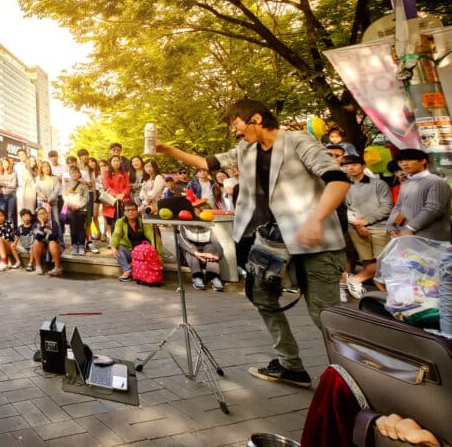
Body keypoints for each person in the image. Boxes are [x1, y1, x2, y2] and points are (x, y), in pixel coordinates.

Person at [157, 98, 349, 389]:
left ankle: (356, 376)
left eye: (237, 126)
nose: (236, 133)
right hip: (271, 239)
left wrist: (317, 219)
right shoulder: (245, 149)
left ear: (256, 119)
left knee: (323, 313)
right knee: (261, 296)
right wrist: (168, 150)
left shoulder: (298, 141)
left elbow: (338, 179)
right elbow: (206, 163)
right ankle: (290, 365)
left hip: (315, 239)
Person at [340, 154, 393, 299]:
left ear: (363, 166)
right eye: (346, 166)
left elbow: (387, 206)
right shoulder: (343, 185)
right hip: (355, 227)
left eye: (354, 164)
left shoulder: (378, 184)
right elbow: (344, 208)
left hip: (379, 227)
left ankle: (356, 280)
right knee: (367, 259)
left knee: (382, 261)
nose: (350, 168)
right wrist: (358, 225)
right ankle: (378, 293)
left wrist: (366, 221)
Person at [386, 148, 452, 242]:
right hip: (406, 234)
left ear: (423, 161)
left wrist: (411, 228)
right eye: (400, 161)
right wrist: (391, 226)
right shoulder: (406, 182)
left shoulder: (436, 182)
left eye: (408, 160)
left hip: (430, 237)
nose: (404, 164)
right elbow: (399, 206)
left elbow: (434, 209)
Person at [109, 201, 160, 282]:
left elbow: (151, 236)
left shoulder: (142, 222)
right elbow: (116, 235)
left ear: (137, 211)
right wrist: (113, 247)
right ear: (124, 212)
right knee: (118, 247)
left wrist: (157, 253)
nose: (130, 212)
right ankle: (127, 271)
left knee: (150, 249)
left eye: (133, 210)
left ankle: (134, 267)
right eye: (128, 210)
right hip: (129, 252)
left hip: (141, 254)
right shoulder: (120, 222)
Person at [177, 222, 226, 291]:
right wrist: (197, 253)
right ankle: (197, 276)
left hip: (203, 259)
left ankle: (213, 276)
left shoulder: (208, 228)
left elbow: (218, 245)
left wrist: (217, 256)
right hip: (188, 258)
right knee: (191, 249)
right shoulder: (182, 226)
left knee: (211, 247)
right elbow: (183, 243)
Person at [62, 165, 91, 256]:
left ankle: (81, 245)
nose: (74, 174)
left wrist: (78, 205)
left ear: (79, 174)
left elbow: (86, 197)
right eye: (72, 172)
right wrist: (70, 204)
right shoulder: (66, 184)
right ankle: (74, 245)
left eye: (76, 172)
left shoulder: (83, 185)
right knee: (73, 228)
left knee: (81, 228)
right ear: (69, 174)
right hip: (70, 209)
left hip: (81, 209)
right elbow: (64, 195)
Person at [30, 206, 63, 276]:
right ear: (37, 216)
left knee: (52, 243)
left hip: (53, 248)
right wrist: (42, 225)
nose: (43, 215)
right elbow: (37, 238)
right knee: (36, 243)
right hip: (42, 249)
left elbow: (54, 236)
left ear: (47, 214)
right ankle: (38, 267)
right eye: (40, 214)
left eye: (44, 213)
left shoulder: (53, 223)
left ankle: (57, 268)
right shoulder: (35, 225)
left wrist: (43, 234)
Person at [0, 158, 18, 229]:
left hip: (11, 196)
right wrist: (8, 184)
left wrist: (4, 184)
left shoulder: (13, 174)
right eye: (4, 163)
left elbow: (14, 185)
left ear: (9, 164)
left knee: (10, 214)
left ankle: (10, 230)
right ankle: (2, 230)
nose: (5, 164)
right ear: (1, 164)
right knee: (1, 214)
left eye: (7, 163)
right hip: (2, 196)